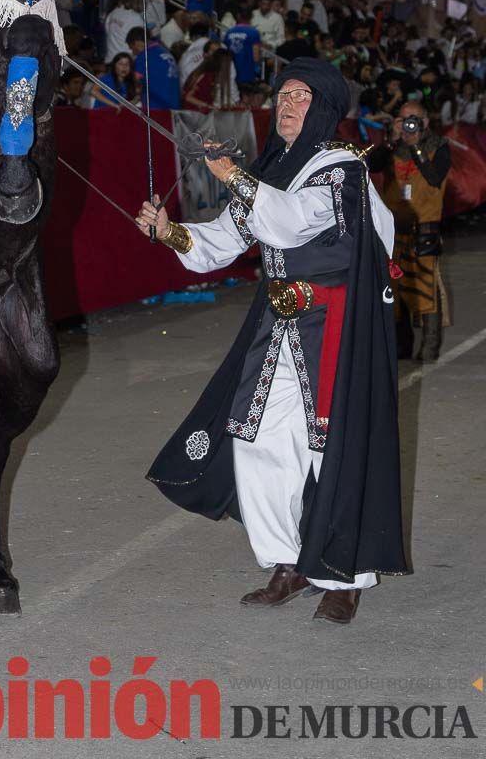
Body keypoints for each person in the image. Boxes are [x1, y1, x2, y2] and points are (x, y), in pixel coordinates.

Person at [137, 59, 406, 625]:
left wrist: (233, 173)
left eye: (301, 96)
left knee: (330, 447)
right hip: (278, 326)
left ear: (326, 109)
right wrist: (169, 232)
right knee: (255, 441)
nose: (287, 104)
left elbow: (290, 222)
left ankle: (343, 576)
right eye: (282, 95)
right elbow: (228, 237)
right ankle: (288, 561)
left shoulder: (341, 169)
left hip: (335, 328)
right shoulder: (272, 170)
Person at [368, 101, 450, 363]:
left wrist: (415, 145)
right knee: (396, 291)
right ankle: (401, 347)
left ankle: (429, 349)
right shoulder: (393, 145)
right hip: (393, 230)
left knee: (426, 293)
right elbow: (372, 164)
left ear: (425, 121)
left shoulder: (438, 146)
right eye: (403, 120)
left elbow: (434, 176)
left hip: (424, 227)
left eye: (414, 119)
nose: (409, 125)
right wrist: (392, 139)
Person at [126, 26, 180, 110]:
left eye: (132, 48)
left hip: (155, 108)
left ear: (136, 43)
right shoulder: (165, 52)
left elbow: (134, 83)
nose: (133, 52)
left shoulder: (144, 56)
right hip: (174, 105)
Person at [182, 48, 233, 113]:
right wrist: (208, 106)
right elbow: (188, 97)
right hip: (193, 114)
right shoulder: (206, 75)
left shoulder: (210, 75)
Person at [223, 6, 261, 85]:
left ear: (238, 16)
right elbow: (256, 56)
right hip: (248, 72)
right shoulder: (253, 32)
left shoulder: (229, 32)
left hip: (231, 72)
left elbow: (224, 53)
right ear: (251, 17)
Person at [178, 16, 211, 87]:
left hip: (191, 91)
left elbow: (182, 77)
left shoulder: (186, 54)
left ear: (193, 37)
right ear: (207, 34)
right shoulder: (220, 47)